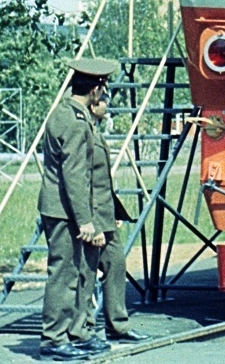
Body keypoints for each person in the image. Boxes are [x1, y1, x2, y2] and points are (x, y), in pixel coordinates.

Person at [37, 57, 117, 361]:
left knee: (83, 271)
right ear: (96, 90)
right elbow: (75, 175)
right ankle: (53, 340)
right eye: (103, 89)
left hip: (66, 208)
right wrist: (85, 221)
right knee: (64, 274)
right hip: (63, 211)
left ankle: (78, 334)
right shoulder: (71, 120)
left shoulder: (73, 115)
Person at [69, 95, 151, 344]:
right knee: (87, 272)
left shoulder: (93, 128)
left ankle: (118, 325)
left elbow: (103, 183)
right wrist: (92, 223)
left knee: (116, 265)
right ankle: (82, 330)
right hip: (92, 218)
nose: (108, 105)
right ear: (94, 103)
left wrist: (112, 214)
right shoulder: (80, 129)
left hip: (105, 215)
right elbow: (84, 182)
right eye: (105, 99)